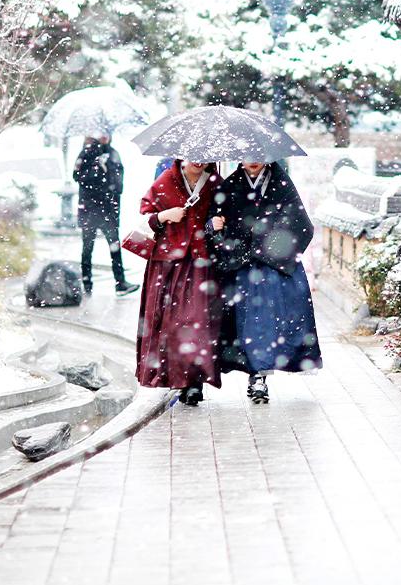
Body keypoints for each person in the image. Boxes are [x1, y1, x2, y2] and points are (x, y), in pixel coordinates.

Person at [208, 160, 321, 404]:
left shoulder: (281, 184)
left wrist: (268, 239)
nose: (253, 159)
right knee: (249, 323)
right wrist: (215, 227)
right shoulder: (230, 185)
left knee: (275, 322)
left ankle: (260, 375)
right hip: (242, 265)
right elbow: (214, 222)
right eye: (247, 154)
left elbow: (301, 223)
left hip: (275, 266)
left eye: (258, 154)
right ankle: (257, 375)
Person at [137, 158, 222, 405]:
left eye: (204, 156)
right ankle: (175, 378)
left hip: (199, 263)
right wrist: (164, 215)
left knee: (195, 321)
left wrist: (214, 224)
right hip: (167, 264)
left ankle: (193, 382)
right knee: (169, 324)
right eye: (193, 154)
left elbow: (228, 214)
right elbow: (147, 217)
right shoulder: (166, 180)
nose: (198, 160)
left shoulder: (215, 183)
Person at [73, 134, 138, 298]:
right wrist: (96, 168)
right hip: (90, 209)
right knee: (87, 247)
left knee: (115, 247)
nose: (104, 137)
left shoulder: (113, 153)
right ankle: (87, 284)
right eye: (101, 133)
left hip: (109, 209)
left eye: (107, 133)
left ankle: (120, 282)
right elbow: (78, 176)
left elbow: (118, 181)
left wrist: (108, 173)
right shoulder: (86, 153)